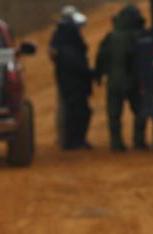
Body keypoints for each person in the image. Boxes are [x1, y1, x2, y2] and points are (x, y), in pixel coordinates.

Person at [95, 4, 148, 151]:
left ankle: (116, 143)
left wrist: (98, 76)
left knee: (114, 114)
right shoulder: (138, 35)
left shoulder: (111, 36)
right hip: (134, 81)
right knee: (140, 111)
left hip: (114, 82)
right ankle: (139, 141)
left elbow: (101, 57)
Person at [49, 5, 95, 150]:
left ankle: (73, 140)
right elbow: (76, 65)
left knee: (73, 111)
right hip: (72, 84)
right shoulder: (67, 43)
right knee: (74, 112)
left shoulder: (61, 38)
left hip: (71, 83)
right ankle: (72, 142)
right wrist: (90, 73)